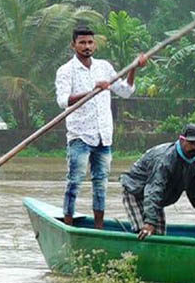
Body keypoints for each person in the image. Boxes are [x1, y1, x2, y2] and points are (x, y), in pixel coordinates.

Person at [55, 25, 147, 228]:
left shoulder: (104, 67)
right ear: (74, 45)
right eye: (82, 43)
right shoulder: (66, 71)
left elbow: (125, 91)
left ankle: (99, 227)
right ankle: (68, 226)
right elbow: (63, 101)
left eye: (89, 42)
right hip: (80, 135)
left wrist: (133, 68)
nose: (86, 46)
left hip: (103, 136)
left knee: (101, 184)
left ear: (94, 45)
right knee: (74, 183)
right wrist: (92, 90)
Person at [120, 124, 195, 240]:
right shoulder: (165, 159)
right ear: (182, 140)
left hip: (156, 199)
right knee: (145, 233)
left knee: (160, 236)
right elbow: (154, 189)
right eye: (191, 143)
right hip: (135, 191)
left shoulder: (194, 166)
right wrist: (149, 222)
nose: (193, 147)